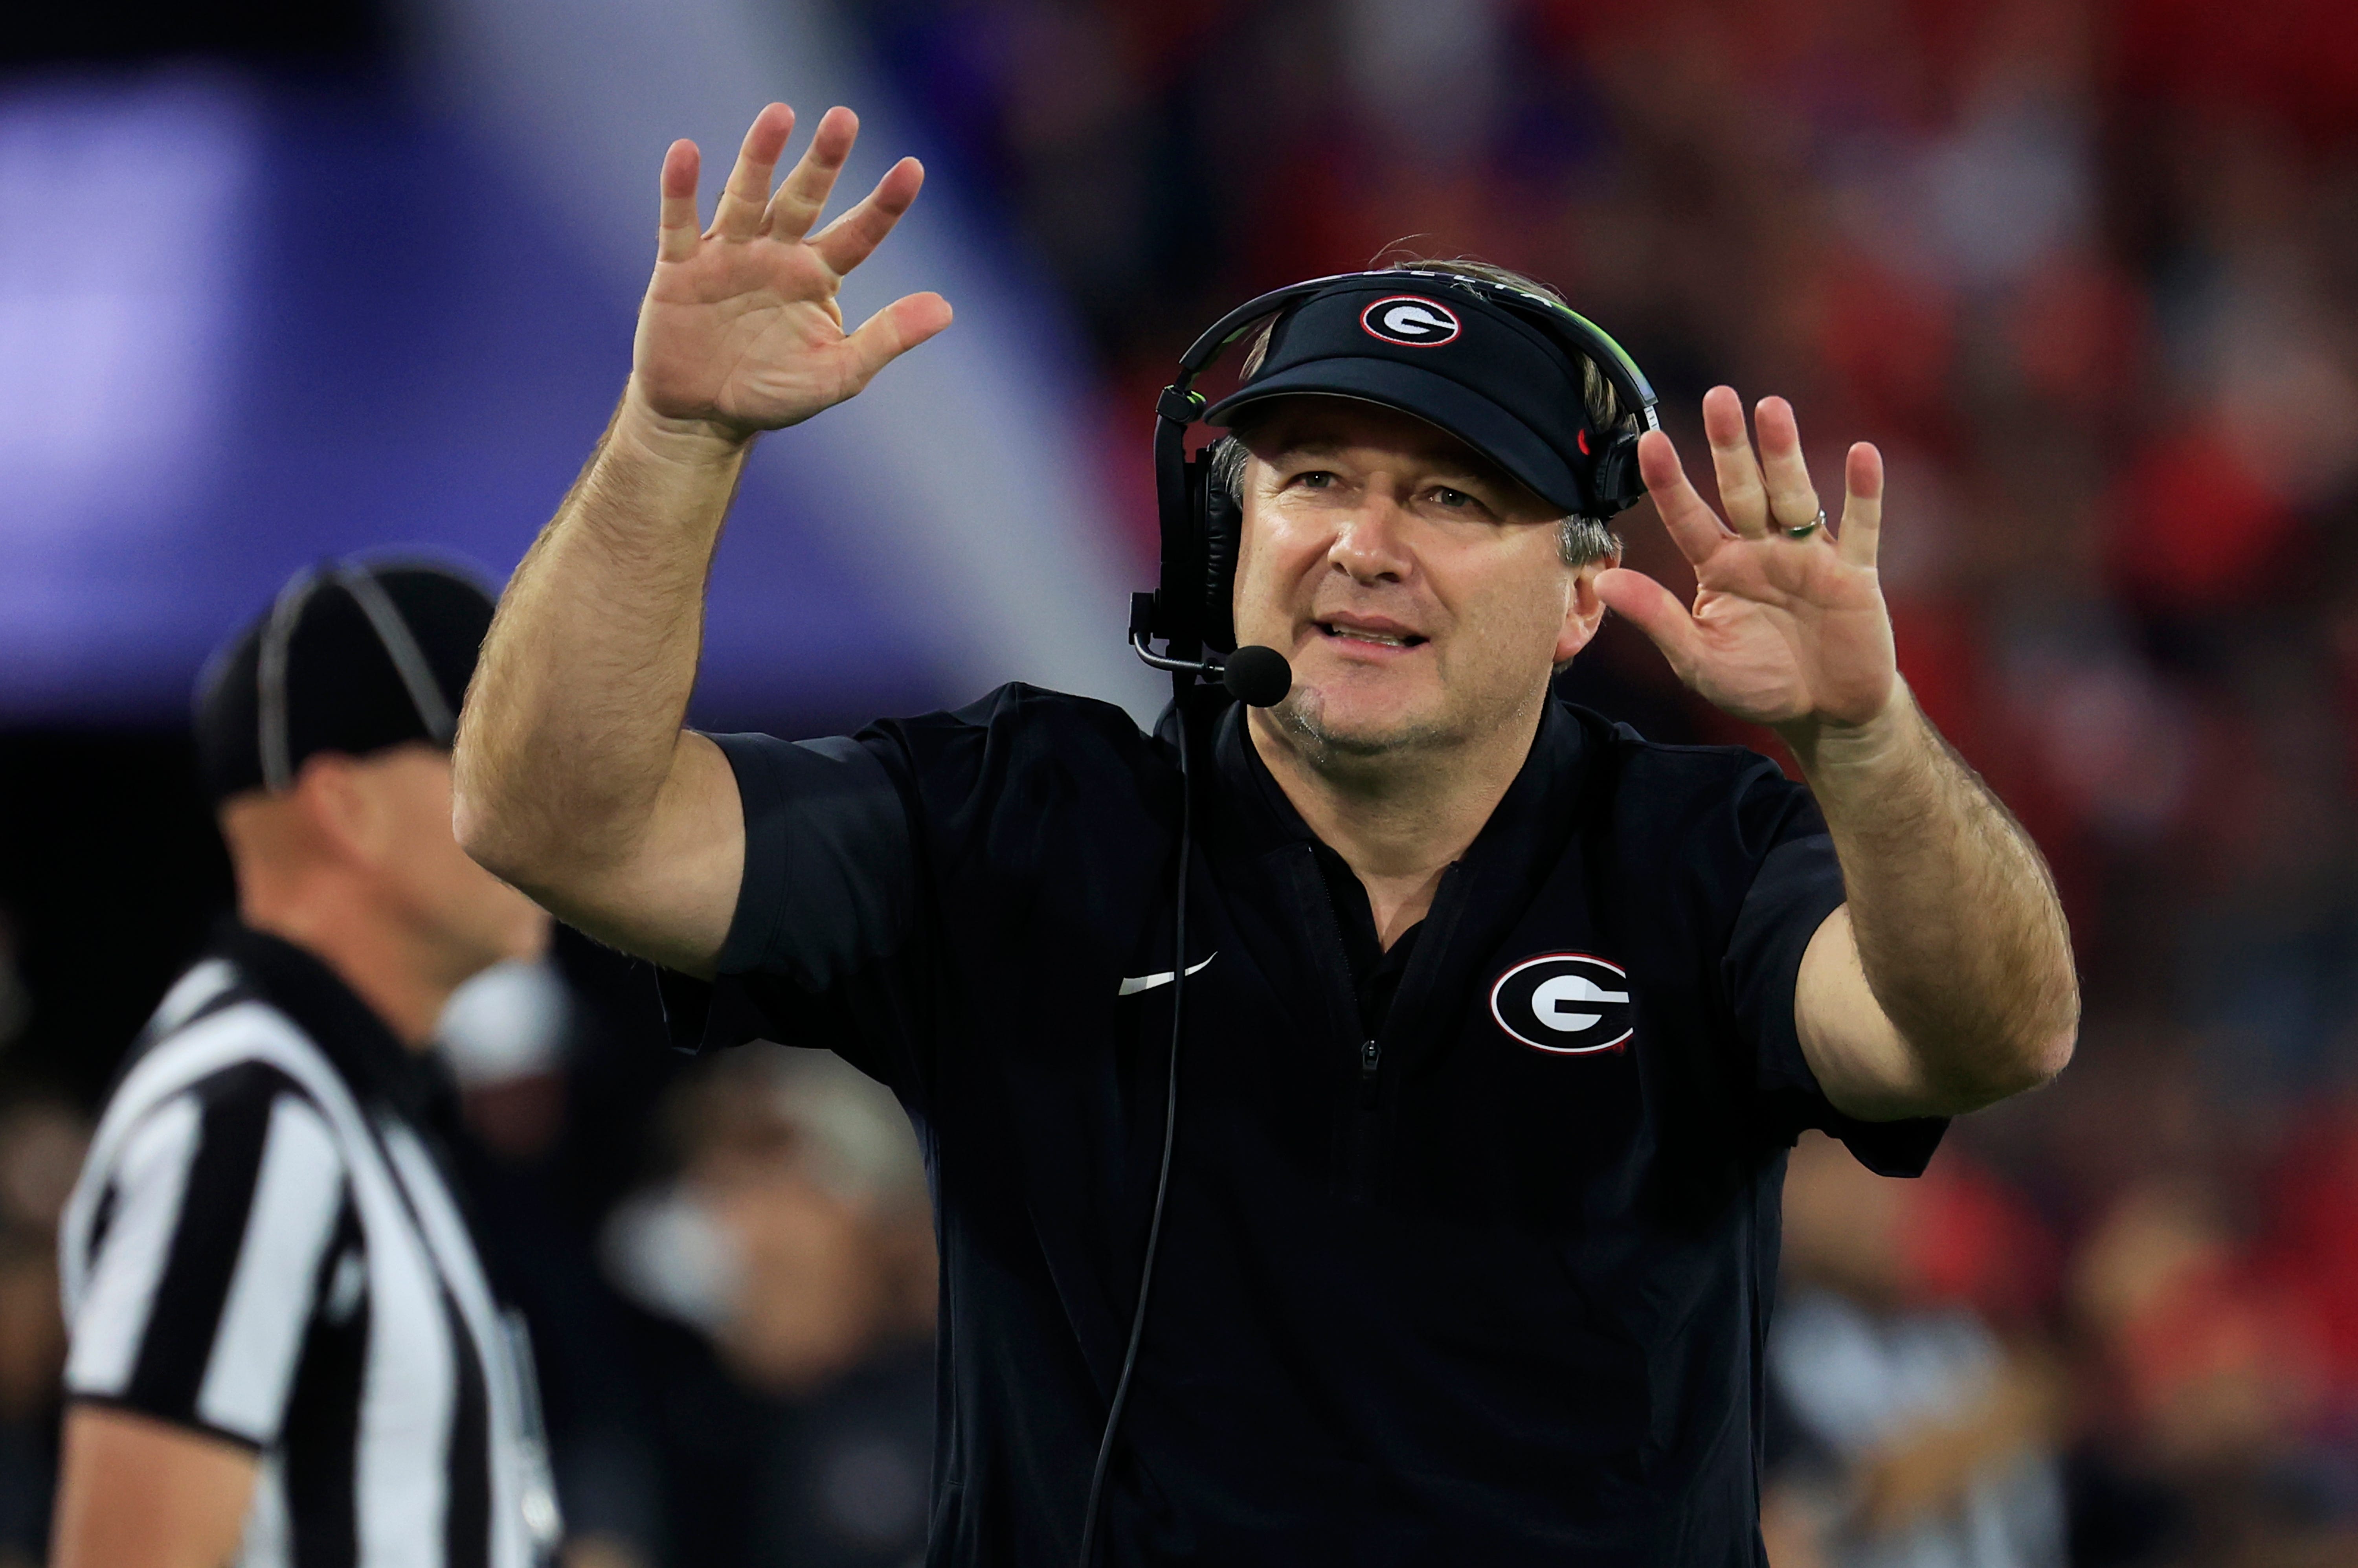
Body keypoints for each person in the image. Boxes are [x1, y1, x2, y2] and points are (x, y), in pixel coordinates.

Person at [452, 102, 2081, 1565]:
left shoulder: (1702, 854)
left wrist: (1862, 741)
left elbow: (1990, 1031)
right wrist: (676, 442)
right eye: (1312, 477)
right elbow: (558, 822)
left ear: (1587, 591)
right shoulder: (1023, 819)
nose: (1365, 542)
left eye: (1453, 497)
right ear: (1229, 532)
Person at [55, 562, 559, 1568]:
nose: (557, 794)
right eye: (500, 747)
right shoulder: (248, 1117)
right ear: (346, 805)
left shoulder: (342, 1102)